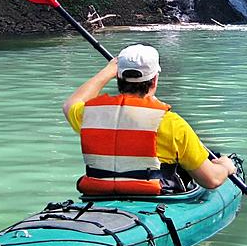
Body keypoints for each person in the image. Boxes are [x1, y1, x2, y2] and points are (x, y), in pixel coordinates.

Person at [63, 44, 236, 195]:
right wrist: (226, 167)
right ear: (154, 80)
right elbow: (211, 180)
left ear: (118, 78)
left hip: (98, 194)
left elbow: (70, 104)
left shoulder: (91, 115)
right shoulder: (171, 123)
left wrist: (106, 71)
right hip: (153, 196)